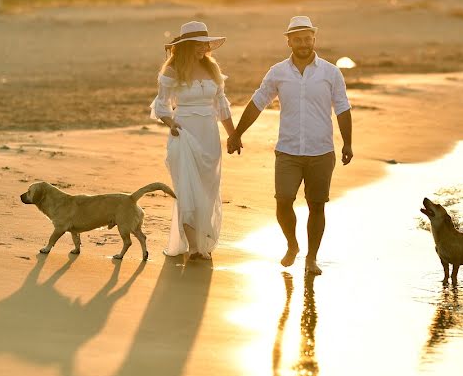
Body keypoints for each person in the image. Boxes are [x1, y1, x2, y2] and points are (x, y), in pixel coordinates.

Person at [227, 15, 352, 276]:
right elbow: (258, 102)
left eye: (308, 38)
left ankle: (312, 258)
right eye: (298, 39)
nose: (304, 43)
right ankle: (292, 245)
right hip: (288, 151)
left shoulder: (331, 72)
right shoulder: (278, 72)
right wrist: (237, 133)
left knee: (317, 206)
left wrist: (347, 143)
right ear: (289, 42)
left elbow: (342, 108)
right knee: (283, 201)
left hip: (321, 151)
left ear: (314, 39)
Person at [151, 21, 236, 260]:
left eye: (206, 44)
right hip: (184, 133)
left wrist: (233, 134)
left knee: (207, 190)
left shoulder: (212, 69)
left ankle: (203, 240)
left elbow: (222, 105)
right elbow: (161, 105)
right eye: (199, 45)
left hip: (209, 135)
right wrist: (171, 124)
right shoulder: (172, 71)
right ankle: (193, 247)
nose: (204, 49)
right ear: (187, 46)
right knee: (187, 188)